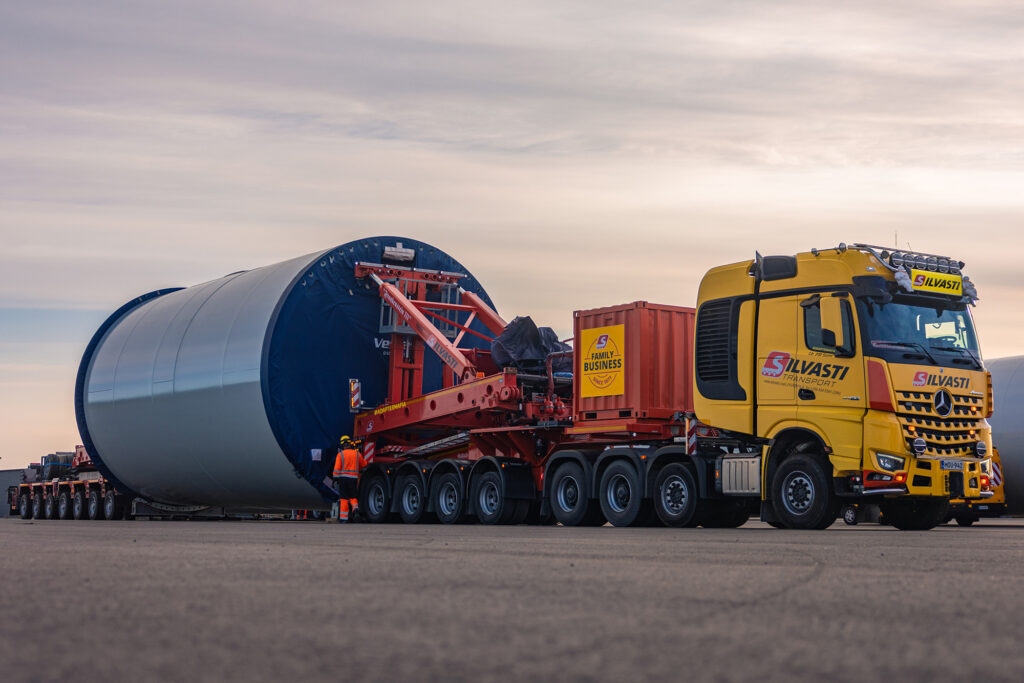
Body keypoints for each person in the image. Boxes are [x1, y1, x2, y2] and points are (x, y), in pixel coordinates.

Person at [333, 436, 366, 523]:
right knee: (353, 497)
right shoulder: (357, 454)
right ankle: (355, 509)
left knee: (344, 498)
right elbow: (364, 465)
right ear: (350, 443)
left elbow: (337, 468)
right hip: (354, 479)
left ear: (342, 445)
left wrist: (335, 479)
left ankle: (344, 518)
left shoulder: (340, 455)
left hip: (343, 479)